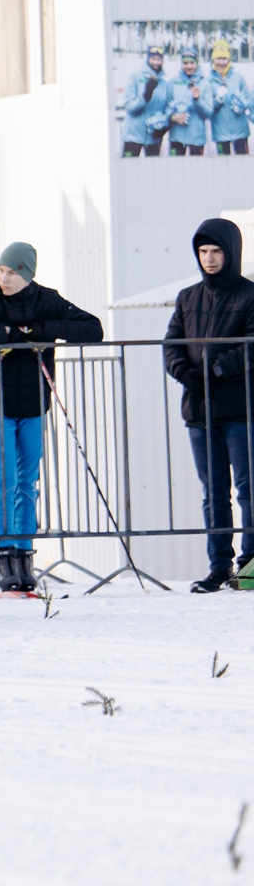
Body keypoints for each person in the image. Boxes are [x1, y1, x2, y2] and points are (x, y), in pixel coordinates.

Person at [0, 242, 104, 593]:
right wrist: (6, 334)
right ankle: (6, 553)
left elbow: (92, 328)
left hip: (34, 400)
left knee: (28, 477)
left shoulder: (47, 299)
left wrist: (40, 330)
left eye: (12, 272)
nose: (4, 278)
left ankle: (24, 552)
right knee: (4, 475)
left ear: (28, 275)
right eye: (1, 270)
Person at [163, 218, 254, 592]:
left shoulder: (249, 295)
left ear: (231, 252)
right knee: (213, 493)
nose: (210, 258)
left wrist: (215, 370)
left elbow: (250, 345)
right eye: (203, 251)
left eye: (217, 250)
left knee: (248, 489)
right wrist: (186, 374)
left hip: (240, 409)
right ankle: (219, 567)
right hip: (199, 411)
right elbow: (171, 344)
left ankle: (249, 566)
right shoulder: (187, 297)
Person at [118, 45, 171, 157]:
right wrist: (145, 96)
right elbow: (129, 108)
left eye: (159, 59)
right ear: (147, 59)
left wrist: (164, 128)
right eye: (153, 58)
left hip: (153, 139)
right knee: (129, 167)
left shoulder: (165, 84)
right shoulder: (134, 78)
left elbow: (167, 110)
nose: (156, 62)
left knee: (153, 168)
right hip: (133, 137)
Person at [165, 46, 213, 157]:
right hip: (176, 137)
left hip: (196, 138)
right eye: (185, 63)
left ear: (197, 63)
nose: (189, 66)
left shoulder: (204, 84)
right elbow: (165, 108)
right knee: (175, 167)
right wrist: (173, 117)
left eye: (192, 63)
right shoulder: (173, 82)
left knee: (197, 168)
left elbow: (208, 113)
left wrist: (198, 100)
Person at [208, 40, 252, 156]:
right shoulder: (208, 81)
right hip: (221, 133)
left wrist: (242, 105)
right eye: (218, 59)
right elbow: (206, 108)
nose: (221, 62)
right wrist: (217, 100)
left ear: (229, 60)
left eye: (224, 59)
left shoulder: (238, 78)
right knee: (224, 165)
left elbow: (248, 98)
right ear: (213, 60)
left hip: (240, 132)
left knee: (243, 163)